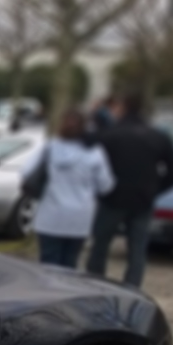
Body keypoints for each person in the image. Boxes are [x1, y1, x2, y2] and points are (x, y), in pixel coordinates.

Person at [86, 93, 173, 288]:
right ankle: (132, 289)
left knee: (100, 245)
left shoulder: (109, 135)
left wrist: (100, 189)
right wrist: (156, 188)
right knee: (137, 250)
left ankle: (95, 286)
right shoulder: (158, 136)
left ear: (122, 108)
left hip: (112, 198)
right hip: (143, 199)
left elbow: (92, 166)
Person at [29, 109, 116, 267]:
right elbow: (106, 186)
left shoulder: (49, 148)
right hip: (79, 219)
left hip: (50, 217)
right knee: (70, 265)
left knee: (47, 265)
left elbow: (26, 172)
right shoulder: (95, 152)